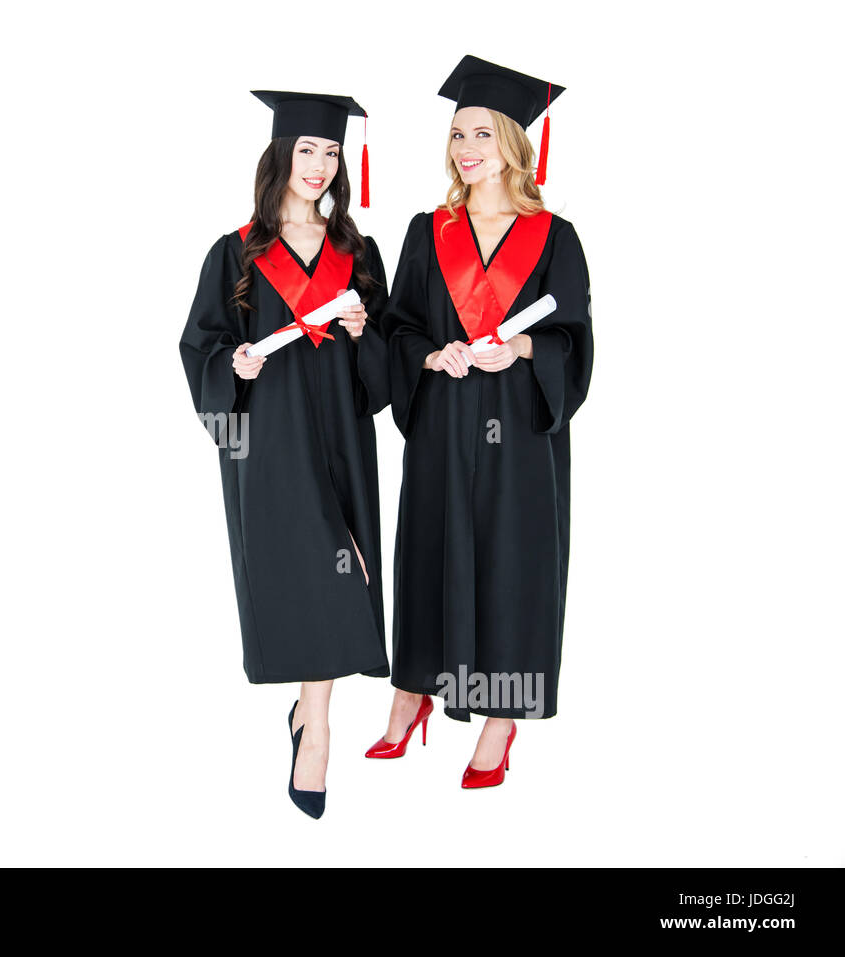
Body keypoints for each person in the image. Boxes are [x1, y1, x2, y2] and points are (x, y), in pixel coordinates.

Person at [370, 56, 593, 788]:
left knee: (511, 563)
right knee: (431, 551)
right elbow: (396, 328)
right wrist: (434, 356)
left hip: (520, 432)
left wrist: (523, 346)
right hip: (443, 421)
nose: (466, 149)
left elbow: (575, 340)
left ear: (513, 145)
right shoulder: (425, 229)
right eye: (458, 134)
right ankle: (413, 690)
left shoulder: (555, 237)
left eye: (481, 135)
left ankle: (500, 717)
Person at [179, 90, 390, 818]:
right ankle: (317, 725)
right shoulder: (236, 251)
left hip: (340, 437)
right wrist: (228, 367)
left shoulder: (357, 255)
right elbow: (199, 344)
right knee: (307, 572)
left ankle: (313, 720)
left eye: (331, 152)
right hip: (267, 439)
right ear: (280, 156)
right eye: (307, 150)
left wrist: (365, 335)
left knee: (345, 565)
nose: (320, 165)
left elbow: (383, 377)